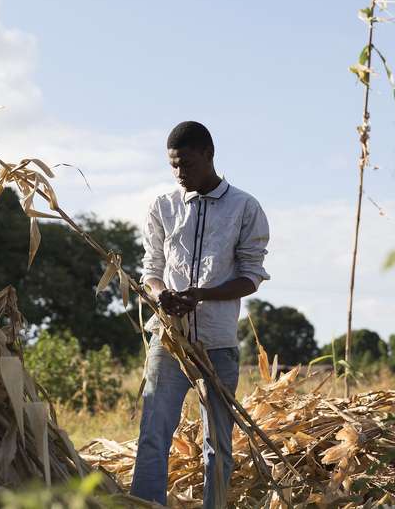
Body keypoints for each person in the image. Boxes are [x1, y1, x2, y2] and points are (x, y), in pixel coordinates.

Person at [130, 121, 271, 507]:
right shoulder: (163, 207)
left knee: (218, 445)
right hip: (169, 341)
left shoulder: (245, 207)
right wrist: (162, 297)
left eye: (187, 164)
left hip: (219, 343)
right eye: (173, 165)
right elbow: (151, 271)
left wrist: (202, 295)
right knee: (153, 436)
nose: (179, 173)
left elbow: (251, 276)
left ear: (209, 155)